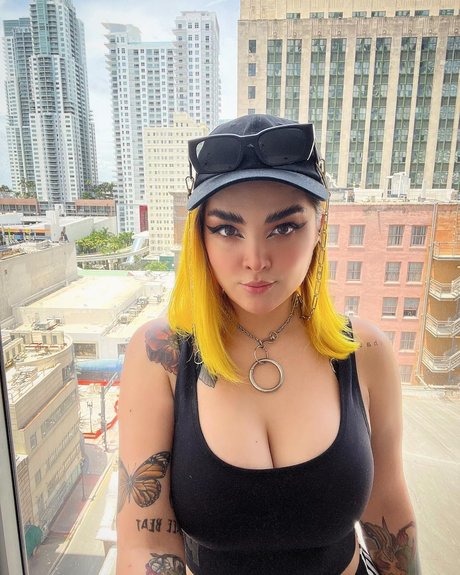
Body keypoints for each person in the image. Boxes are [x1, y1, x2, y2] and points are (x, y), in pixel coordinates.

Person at [116, 114, 421, 575]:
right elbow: (146, 542)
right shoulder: (161, 355)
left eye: (284, 228)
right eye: (227, 229)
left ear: (319, 228)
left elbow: (388, 506)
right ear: (200, 238)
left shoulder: (364, 351)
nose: (256, 260)